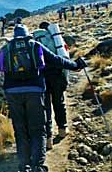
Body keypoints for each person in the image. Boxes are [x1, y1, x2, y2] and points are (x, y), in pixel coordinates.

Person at [0, 24, 86, 172]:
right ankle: (38, 166)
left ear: (14, 37)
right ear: (28, 35)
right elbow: (56, 60)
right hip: (35, 92)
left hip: (13, 94)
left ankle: (24, 165)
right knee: (38, 130)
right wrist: (75, 65)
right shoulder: (35, 45)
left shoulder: (5, 49)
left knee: (20, 130)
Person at [36, 22, 70, 150]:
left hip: (42, 77)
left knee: (45, 108)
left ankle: (48, 139)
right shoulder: (56, 39)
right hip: (57, 75)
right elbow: (64, 57)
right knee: (59, 102)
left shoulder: (33, 39)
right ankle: (62, 129)